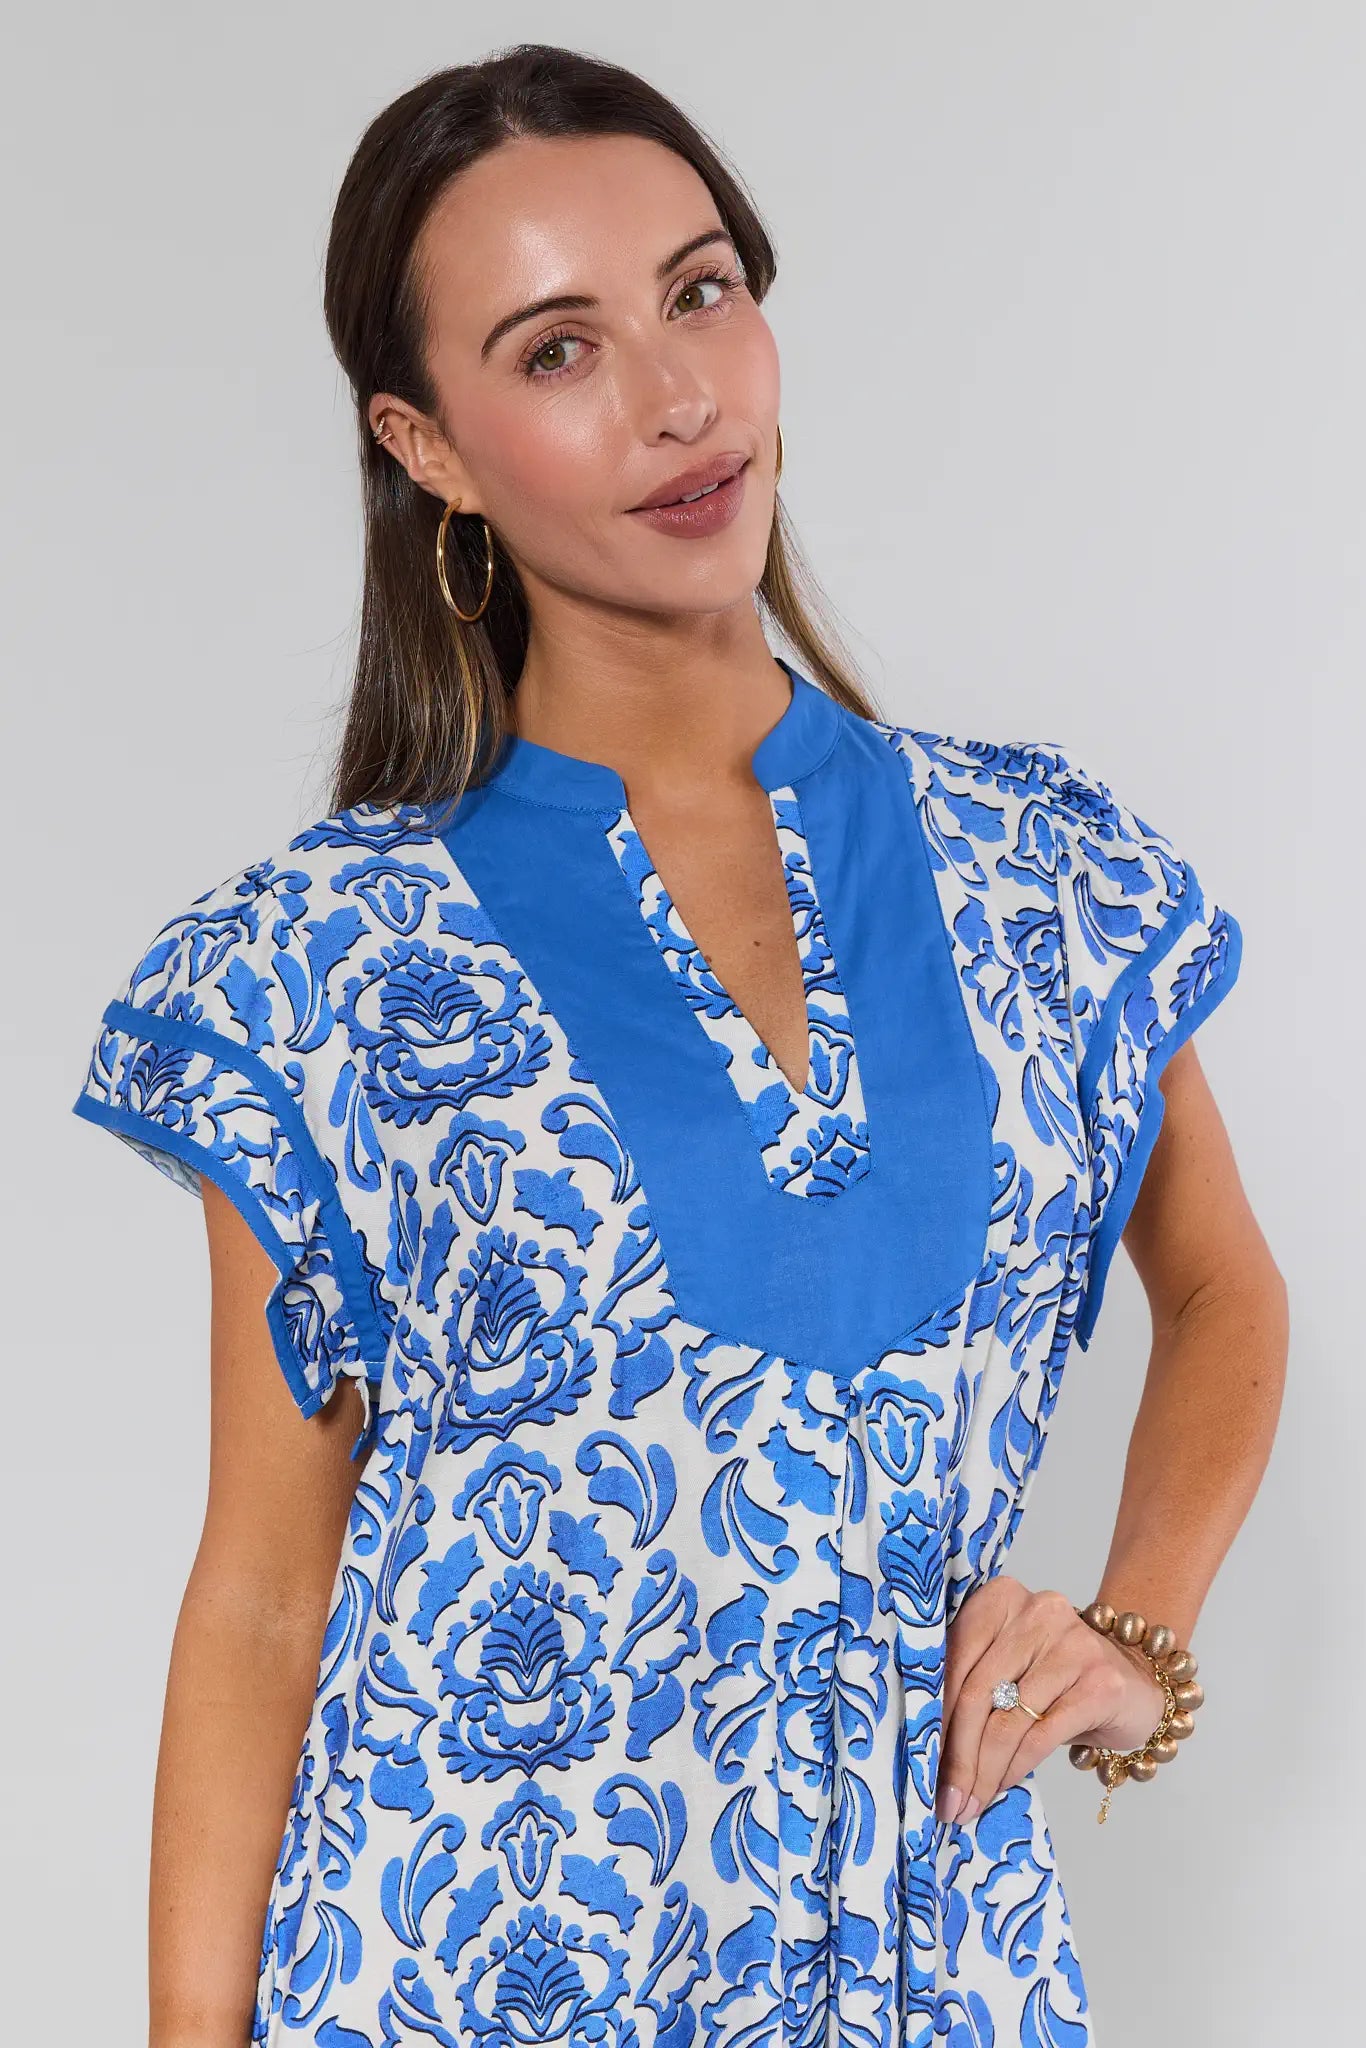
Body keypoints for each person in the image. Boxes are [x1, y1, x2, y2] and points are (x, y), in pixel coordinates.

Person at [71, 41, 1287, 2048]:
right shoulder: (318, 969)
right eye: (555, 351)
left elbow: (1220, 1278)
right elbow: (264, 1600)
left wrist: (1134, 1627)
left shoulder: (1034, 872)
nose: (674, 396)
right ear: (428, 443)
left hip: (932, 1978)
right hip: (452, 1978)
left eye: (700, 291)